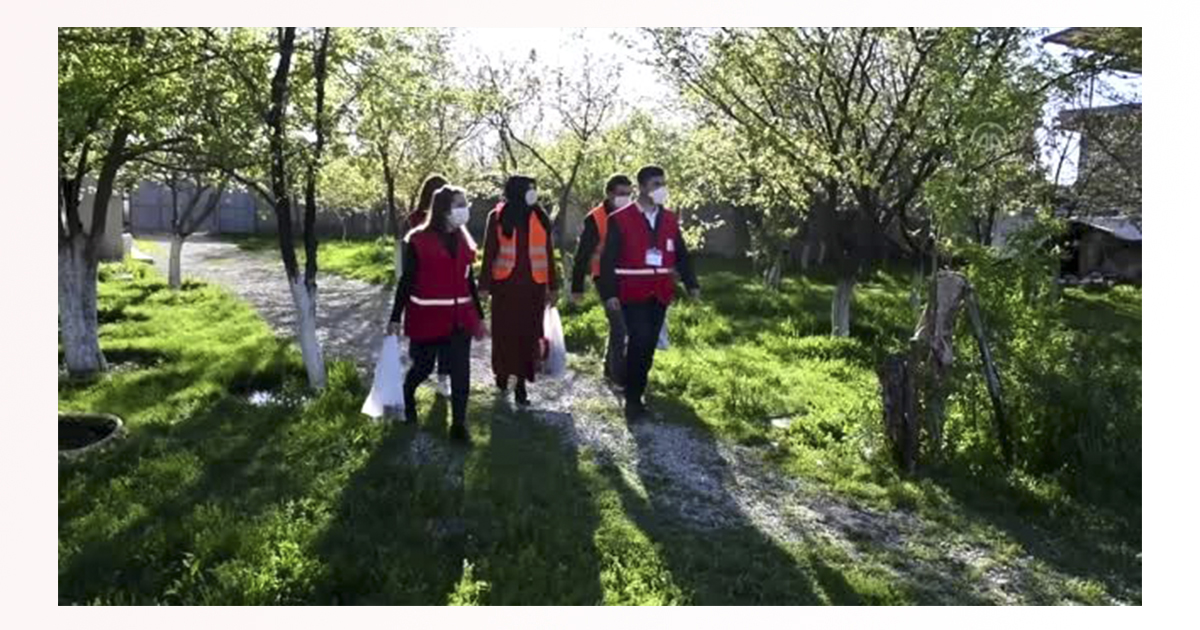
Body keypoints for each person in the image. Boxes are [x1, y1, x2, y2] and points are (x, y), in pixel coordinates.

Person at [598, 165, 699, 422]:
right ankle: (632, 400)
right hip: (631, 293)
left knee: (648, 346)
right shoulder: (620, 219)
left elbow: (681, 254)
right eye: (656, 184)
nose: (661, 189)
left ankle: (636, 393)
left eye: (663, 184)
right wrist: (609, 294)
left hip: (660, 293)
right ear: (642, 187)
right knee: (639, 338)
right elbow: (607, 261)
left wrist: (691, 284)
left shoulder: (670, 219)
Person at [387, 185, 487, 442]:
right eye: (459, 204)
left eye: (465, 204)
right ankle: (406, 396)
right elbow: (406, 281)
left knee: (460, 371)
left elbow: (469, 281)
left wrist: (480, 316)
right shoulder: (418, 239)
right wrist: (395, 317)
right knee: (423, 367)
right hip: (427, 319)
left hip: (459, 320)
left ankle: (459, 425)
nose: (464, 209)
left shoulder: (465, 240)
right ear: (444, 209)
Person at [479, 175, 560, 406]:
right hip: (505, 287)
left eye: (535, 188)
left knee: (528, 335)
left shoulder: (540, 217)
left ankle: (522, 384)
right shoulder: (497, 216)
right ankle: (503, 373)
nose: (533, 192)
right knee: (505, 335)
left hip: (534, 288)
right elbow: (489, 253)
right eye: (529, 189)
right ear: (516, 191)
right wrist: (484, 286)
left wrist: (553, 286)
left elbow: (548, 253)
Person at [570, 174, 634, 386]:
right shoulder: (595, 218)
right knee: (620, 326)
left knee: (623, 325)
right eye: (620, 194)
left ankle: (610, 368)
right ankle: (619, 377)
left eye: (628, 194)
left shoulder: (633, 215)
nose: (625, 198)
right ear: (609, 194)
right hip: (604, 278)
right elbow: (582, 255)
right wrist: (577, 287)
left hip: (628, 277)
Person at [402, 174, 453, 398]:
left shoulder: (447, 219)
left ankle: (437, 377)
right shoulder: (416, 220)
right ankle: (429, 376)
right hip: (431, 287)